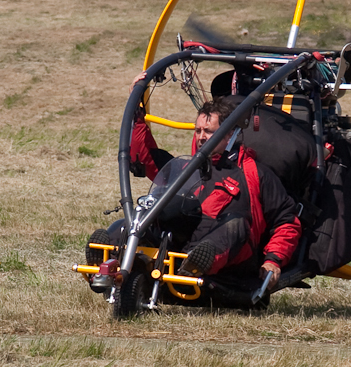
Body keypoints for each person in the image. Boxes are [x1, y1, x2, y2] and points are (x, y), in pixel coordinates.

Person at [87, 72, 302, 289]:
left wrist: (273, 260)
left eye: (209, 132)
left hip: (232, 254)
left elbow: (287, 221)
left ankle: (196, 262)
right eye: (198, 130)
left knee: (236, 224)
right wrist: (136, 104)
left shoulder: (255, 174)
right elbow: (145, 157)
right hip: (178, 242)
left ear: (230, 135)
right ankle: (105, 254)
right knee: (138, 217)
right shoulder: (186, 168)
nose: (201, 137)